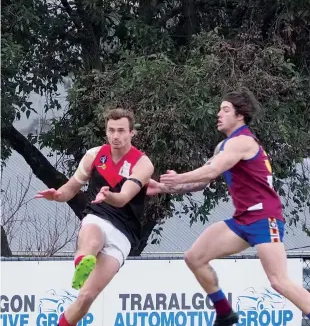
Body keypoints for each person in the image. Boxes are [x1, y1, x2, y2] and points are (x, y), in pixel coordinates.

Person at [151, 88, 310, 326]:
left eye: (225, 110)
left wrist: (178, 177)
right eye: (220, 109)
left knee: (278, 281)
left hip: (265, 218)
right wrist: (164, 188)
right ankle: (224, 313)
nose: (219, 114)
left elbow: (212, 170)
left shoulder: (243, 141)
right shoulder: (224, 146)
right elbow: (202, 181)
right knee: (194, 257)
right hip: (243, 220)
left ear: (240, 115)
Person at [35, 108, 154, 326]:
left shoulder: (142, 163)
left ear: (131, 133)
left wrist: (108, 196)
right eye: (111, 130)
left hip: (124, 233)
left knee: (86, 297)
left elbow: (123, 198)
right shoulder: (94, 155)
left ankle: (83, 267)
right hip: (97, 215)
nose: (115, 136)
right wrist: (57, 195)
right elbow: (69, 190)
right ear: (106, 131)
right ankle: (83, 262)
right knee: (92, 237)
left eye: (121, 131)